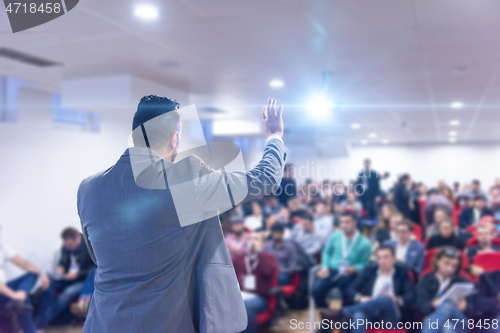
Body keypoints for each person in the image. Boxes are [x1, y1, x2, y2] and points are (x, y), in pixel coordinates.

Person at [76, 97, 289, 333]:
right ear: (174, 138)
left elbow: (97, 256)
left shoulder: (88, 189)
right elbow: (265, 179)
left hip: (103, 323)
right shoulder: (185, 179)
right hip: (164, 322)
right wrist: (274, 135)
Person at [320, 245, 415, 333]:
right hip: (370, 312)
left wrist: (396, 300)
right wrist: (360, 298)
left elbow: (411, 296)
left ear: (394, 260)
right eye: (379, 257)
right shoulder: (370, 271)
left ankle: (341, 312)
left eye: (386, 257)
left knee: (386, 299)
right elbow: (350, 289)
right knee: (358, 317)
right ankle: (341, 314)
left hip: (390, 316)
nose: (382, 261)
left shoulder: (401, 274)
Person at [36, 227, 95, 328]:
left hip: (82, 280)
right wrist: (60, 269)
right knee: (47, 287)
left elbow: (93, 269)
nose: (67, 247)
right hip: (67, 278)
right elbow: (63, 263)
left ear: (77, 239)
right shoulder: (65, 247)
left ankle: (39, 323)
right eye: (65, 244)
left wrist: (77, 274)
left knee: (68, 293)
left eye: (69, 244)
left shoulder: (88, 246)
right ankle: (46, 319)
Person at [312, 211, 371, 308]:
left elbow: (365, 264)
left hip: (350, 273)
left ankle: (344, 318)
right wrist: (325, 266)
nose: (343, 225)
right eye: (342, 222)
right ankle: (327, 317)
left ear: (354, 223)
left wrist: (355, 268)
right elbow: (326, 252)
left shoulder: (365, 243)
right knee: (316, 289)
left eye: (347, 222)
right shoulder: (335, 236)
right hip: (332, 270)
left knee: (347, 292)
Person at [0, 235, 50, 333]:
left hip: (4, 290)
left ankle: (20, 298)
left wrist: (41, 273)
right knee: (23, 300)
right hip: (3, 293)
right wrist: (13, 295)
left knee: (33, 274)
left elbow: (23, 263)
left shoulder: (2, 246)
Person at [417, 247, 472, 333]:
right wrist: (433, 303)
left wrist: (465, 307)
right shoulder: (426, 279)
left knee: (447, 305)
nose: (450, 269)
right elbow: (420, 306)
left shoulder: (462, 281)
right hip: (434, 318)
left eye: (454, 266)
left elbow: (474, 307)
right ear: (437, 261)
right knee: (448, 327)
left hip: (459, 320)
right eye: (446, 264)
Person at [233, 232, 279, 333]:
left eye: (256, 239)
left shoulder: (268, 258)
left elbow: (267, 272)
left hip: (259, 297)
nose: (253, 241)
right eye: (251, 239)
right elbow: (230, 273)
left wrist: (258, 253)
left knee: (244, 306)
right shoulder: (241, 257)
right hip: (242, 294)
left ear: (262, 244)